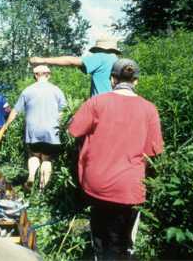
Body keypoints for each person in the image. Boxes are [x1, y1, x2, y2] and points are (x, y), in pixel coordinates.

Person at [68, 58, 164, 260]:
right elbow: (154, 151)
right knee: (123, 243)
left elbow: (74, 130)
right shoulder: (149, 109)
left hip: (97, 184)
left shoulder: (96, 102)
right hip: (129, 187)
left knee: (102, 239)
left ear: (112, 79)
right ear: (135, 81)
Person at [6, 65, 67, 191]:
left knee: (34, 155)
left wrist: (6, 125)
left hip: (33, 130)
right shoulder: (56, 90)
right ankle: (41, 190)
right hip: (51, 130)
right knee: (47, 158)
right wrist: (58, 121)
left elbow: (15, 111)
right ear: (48, 75)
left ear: (35, 76)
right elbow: (64, 110)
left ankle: (32, 175)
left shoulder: (27, 90)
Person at [30, 38, 120, 97]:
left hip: (101, 106)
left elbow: (71, 61)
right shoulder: (116, 60)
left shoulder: (101, 57)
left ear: (100, 49)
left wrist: (43, 60)